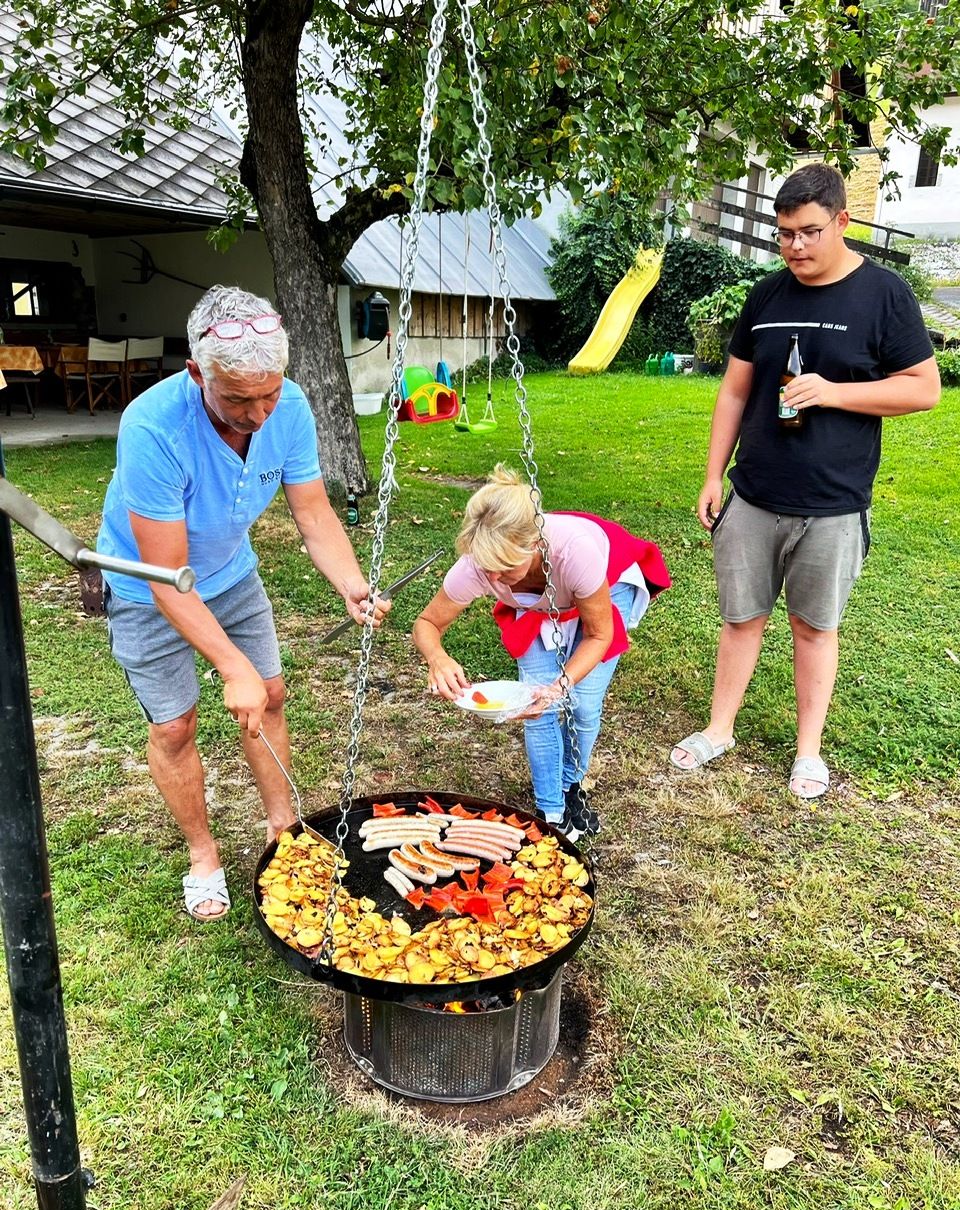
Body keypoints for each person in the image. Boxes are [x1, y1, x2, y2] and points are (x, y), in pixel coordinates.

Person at [97, 286, 389, 920]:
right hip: (150, 588)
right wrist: (232, 667)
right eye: (236, 399)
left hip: (230, 573)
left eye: (270, 394)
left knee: (272, 694)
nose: (259, 414)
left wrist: (350, 582)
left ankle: (283, 829)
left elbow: (312, 512)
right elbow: (166, 575)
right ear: (197, 371)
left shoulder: (290, 408)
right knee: (175, 725)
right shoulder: (152, 427)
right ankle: (204, 856)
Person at [670, 163, 940, 797]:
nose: (794, 246)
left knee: (815, 627)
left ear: (842, 221)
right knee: (741, 618)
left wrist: (836, 393)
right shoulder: (766, 295)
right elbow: (735, 392)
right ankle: (718, 730)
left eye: (809, 232)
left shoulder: (884, 294)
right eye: (783, 233)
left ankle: (808, 753)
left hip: (834, 502)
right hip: (755, 494)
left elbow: (924, 389)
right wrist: (714, 475)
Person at [413, 466, 670, 840]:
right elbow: (427, 624)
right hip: (538, 607)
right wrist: (437, 658)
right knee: (536, 707)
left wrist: (558, 686)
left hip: (604, 588)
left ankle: (571, 786)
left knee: (581, 702)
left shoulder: (574, 551)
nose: (494, 580)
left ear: (532, 543)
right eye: (488, 570)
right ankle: (551, 811)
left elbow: (599, 635)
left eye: (503, 568)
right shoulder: (479, 566)